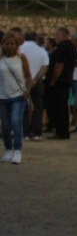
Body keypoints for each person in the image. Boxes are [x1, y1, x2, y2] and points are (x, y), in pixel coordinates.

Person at [0, 32, 32, 164]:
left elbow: (28, 76)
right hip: (2, 96)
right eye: (6, 44)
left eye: (12, 44)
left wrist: (27, 91)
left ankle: (17, 150)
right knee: (5, 125)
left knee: (15, 121)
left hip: (18, 95)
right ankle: (8, 149)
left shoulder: (21, 58)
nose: (9, 47)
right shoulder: (1, 58)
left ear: (16, 45)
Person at [46, 27, 77, 139]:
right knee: (64, 107)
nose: (55, 37)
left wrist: (52, 80)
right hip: (67, 79)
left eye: (56, 35)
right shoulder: (72, 48)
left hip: (59, 81)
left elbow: (59, 66)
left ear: (63, 35)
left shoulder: (62, 48)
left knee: (59, 107)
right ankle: (63, 130)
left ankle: (60, 131)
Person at [19, 31, 48, 142]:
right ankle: (37, 133)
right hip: (37, 83)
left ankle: (25, 133)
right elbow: (45, 67)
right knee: (38, 108)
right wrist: (35, 80)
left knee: (23, 108)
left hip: (22, 82)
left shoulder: (20, 49)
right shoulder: (42, 51)